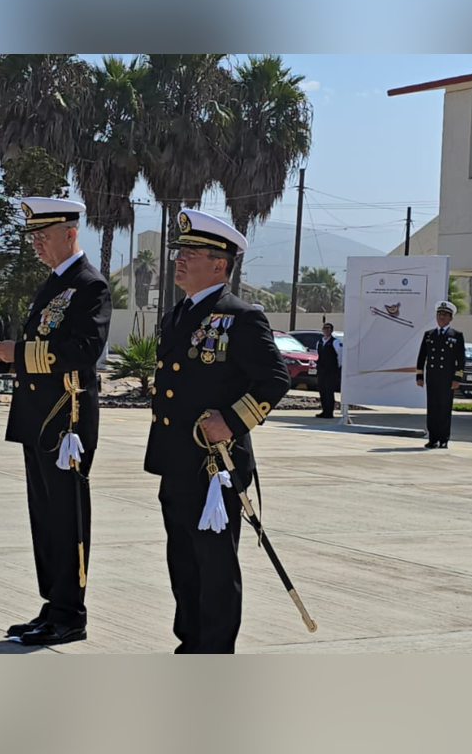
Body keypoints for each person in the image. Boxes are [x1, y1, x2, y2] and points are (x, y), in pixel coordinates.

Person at [144, 209, 290, 654]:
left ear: (220, 264)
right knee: (183, 563)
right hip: (176, 460)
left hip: (215, 467)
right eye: (180, 252)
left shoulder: (240, 317)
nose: (180, 260)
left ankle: (215, 652)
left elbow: (275, 379)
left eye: (191, 253)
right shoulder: (176, 316)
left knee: (214, 565)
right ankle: (189, 645)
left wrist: (231, 419)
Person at [0, 197, 111, 647]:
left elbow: (82, 352)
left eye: (44, 236)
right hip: (38, 418)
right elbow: (39, 353)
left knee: (67, 518)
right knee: (44, 518)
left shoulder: (89, 286)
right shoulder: (52, 286)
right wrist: (4, 354)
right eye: (32, 237)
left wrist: (21, 353)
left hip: (66, 420)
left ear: (71, 234)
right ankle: (52, 604)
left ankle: (71, 612)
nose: (36, 244)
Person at [415, 300, 466, 449]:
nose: (441, 317)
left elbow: (460, 359)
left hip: (447, 378)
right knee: (432, 409)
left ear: (450, 318)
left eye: (444, 315)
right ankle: (433, 438)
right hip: (432, 377)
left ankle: (444, 439)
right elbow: (421, 356)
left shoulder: (456, 335)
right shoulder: (429, 335)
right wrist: (419, 375)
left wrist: (457, 378)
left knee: (444, 408)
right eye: (439, 314)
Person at [314, 322, 344, 418]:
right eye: (325, 328)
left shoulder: (335, 342)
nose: (327, 330)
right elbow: (318, 354)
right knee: (322, 391)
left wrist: (338, 366)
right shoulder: (320, 342)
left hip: (331, 371)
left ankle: (329, 412)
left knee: (329, 391)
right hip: (322, 370)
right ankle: (324, 410)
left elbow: (340, 355)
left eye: (329, 329)